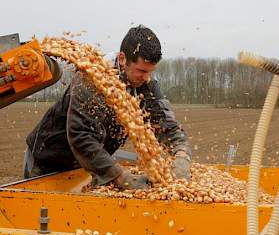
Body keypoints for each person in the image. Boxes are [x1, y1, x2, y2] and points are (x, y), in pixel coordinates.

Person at [24, 25, 192, 189]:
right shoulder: (91, 79)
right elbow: (80, 136)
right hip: (49, 162)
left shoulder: (145, 83)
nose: (146, 77)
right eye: (141, 70)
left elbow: (165, 124)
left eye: (150, 71)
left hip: (85, 165)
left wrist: (181, 155)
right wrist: (119, 177)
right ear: (122, 59)